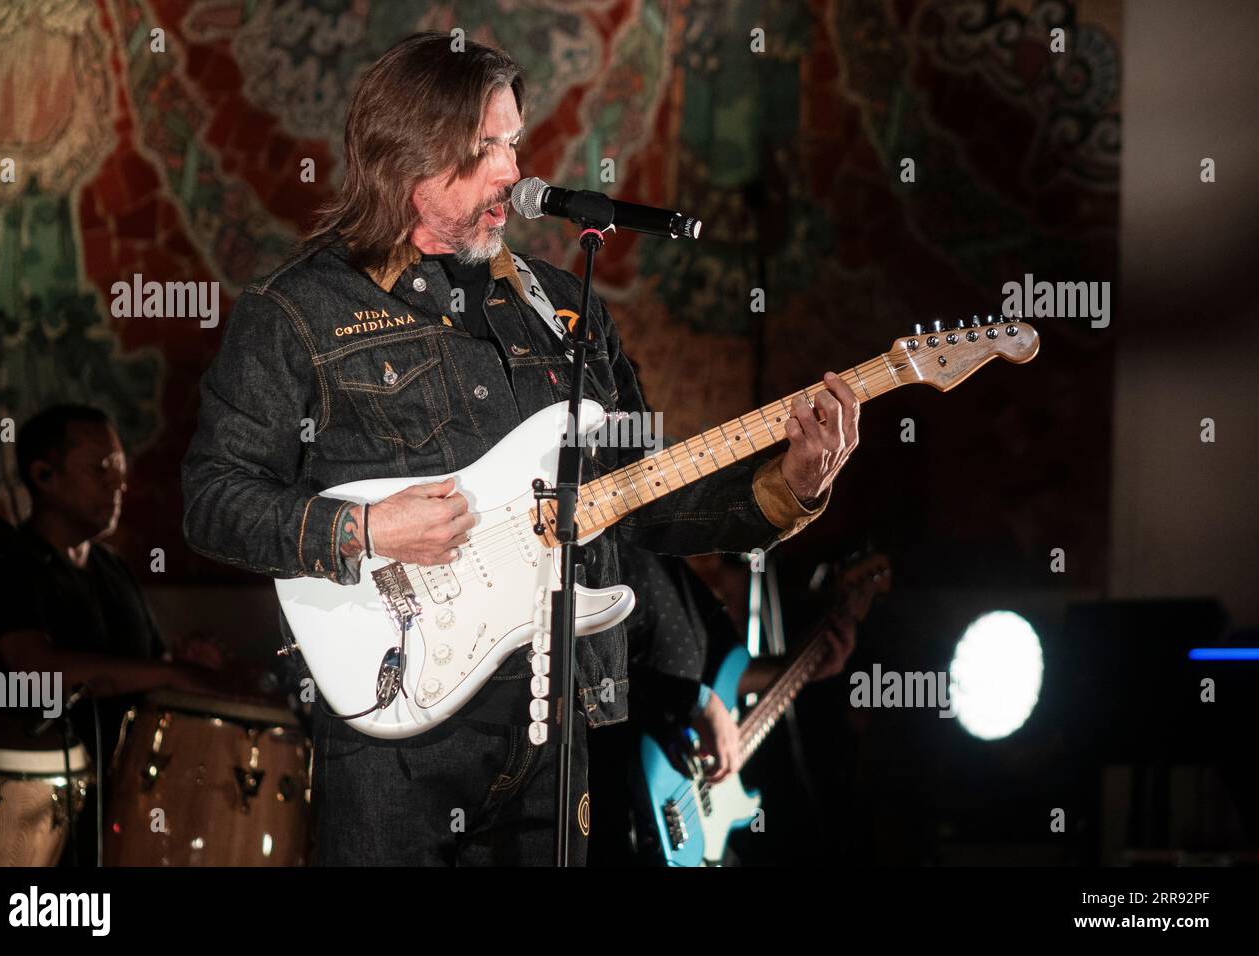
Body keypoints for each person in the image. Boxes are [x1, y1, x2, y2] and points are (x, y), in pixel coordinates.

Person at [181, 31, 860, 866]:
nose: (513, 170)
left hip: (562, 716)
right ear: (406, 161)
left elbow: (643, 495)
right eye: (484, 148)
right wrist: (364, 532)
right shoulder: (299, 311)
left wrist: (787, 486)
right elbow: (213, 499)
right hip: (398, 730)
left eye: (512, 142)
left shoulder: (561, 311)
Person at [0, 404, 221, 864]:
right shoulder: (7, 561)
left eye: (119, 469)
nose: (118, 484)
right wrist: (166, 674)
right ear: (44, 475)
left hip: (120, 801)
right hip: (32, 806)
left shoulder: (112, 569)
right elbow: (37, 669)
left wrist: (177, 664)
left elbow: (149, 670)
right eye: (101, 468)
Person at [589, 543, 858, 865]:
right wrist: (696, 702)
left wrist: (807, 666)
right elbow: (583, 659)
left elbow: (730, 675)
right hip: (614, 799)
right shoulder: (629, 555)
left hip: (688, 820)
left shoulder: (694, 594)